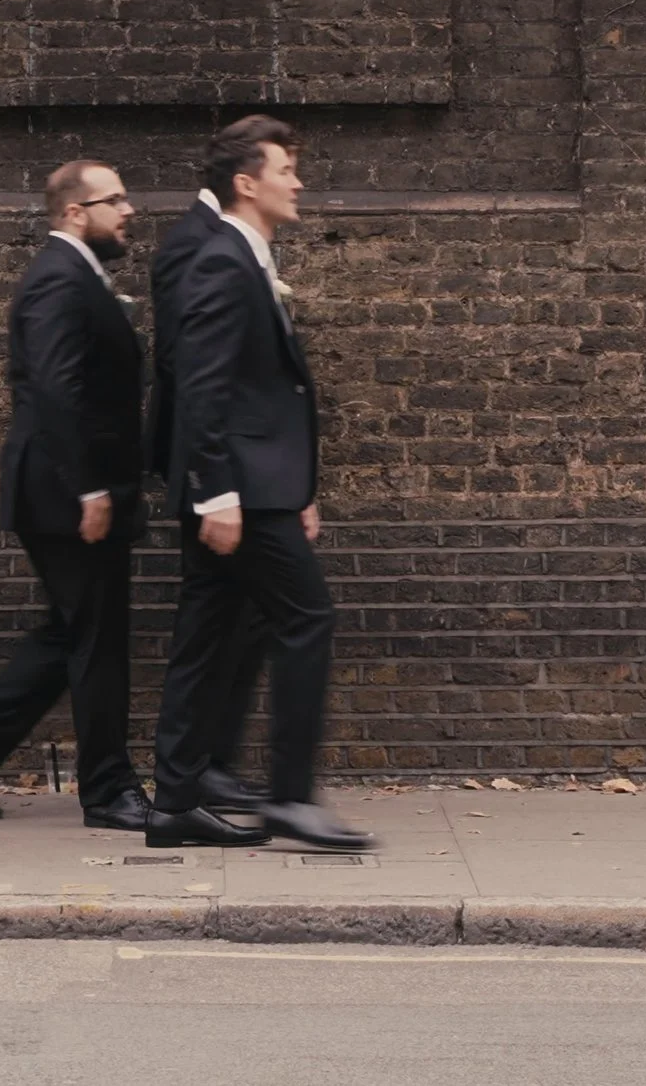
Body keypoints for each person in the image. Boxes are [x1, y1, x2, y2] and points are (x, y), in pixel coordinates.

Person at [147, 121, 375, 852]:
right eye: (287, 168)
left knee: (206, 633)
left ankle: (177, 800)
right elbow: (202, 386)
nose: (298, 181)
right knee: (307, 620)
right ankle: (290, 798)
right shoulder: (222, 261)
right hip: (241, 492)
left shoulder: (242, 256)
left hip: (253, 487)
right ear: (246, 183)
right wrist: (216, 494)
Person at [0, 161, 153, 832]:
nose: (129, 209)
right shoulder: (58, 278)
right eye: (115, 199)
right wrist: (90, 486)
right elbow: (57, 390)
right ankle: (109, 789)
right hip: (66, 489)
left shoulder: (76, 273)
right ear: (75, 213)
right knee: (98, 636)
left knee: (74, 629)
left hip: (68, 486)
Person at [145, 123, 278, 818]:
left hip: (236, 471)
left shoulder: (224, 241)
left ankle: (202, 769)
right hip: (211, 473)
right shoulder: (197, 245)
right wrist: (210, 483)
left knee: (239, 618)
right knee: (212, 624)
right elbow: (185, 369)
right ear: (243, 177)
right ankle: (188, 778)